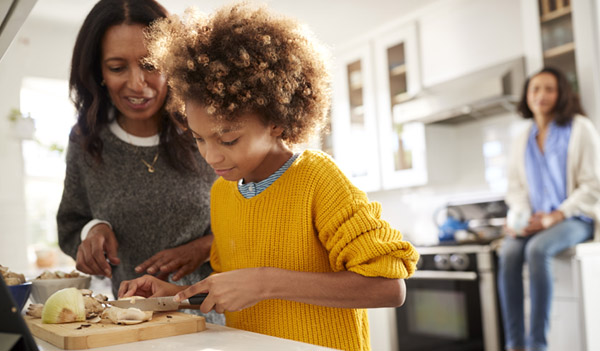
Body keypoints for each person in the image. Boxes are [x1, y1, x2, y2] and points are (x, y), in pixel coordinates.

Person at [118, 3, 419, 351]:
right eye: (199, 139)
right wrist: (177, 297)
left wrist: (266, 282)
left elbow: (389, 288)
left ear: (276, 120)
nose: (211, 156)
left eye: (228, 139)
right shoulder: (223, 193)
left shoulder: (318, 179)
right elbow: (240, 293)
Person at [56, 0, 224, 324]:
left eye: (150, 64)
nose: (136, 84)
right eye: (118, 67)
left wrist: (204, 247)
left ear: (172, 64)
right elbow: (70, 224)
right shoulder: (87, 142)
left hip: (210, 325)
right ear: (99, 72)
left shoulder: (205, 133)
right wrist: (94, 230)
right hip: (130, 325)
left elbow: (251, 224)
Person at [499, 67, 600, 351]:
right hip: (537, 221)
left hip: (575, 218)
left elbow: (593, 185)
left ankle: (537, 345)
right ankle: (515, 344)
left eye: (549, 89)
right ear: (527, 95)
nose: (541, 95)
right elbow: (516, 189)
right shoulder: (522, 138)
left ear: (561, 94)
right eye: (535, 89)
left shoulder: (580, 128)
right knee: (507, 252)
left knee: (537, 250)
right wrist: (518, 219)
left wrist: (556, 215)